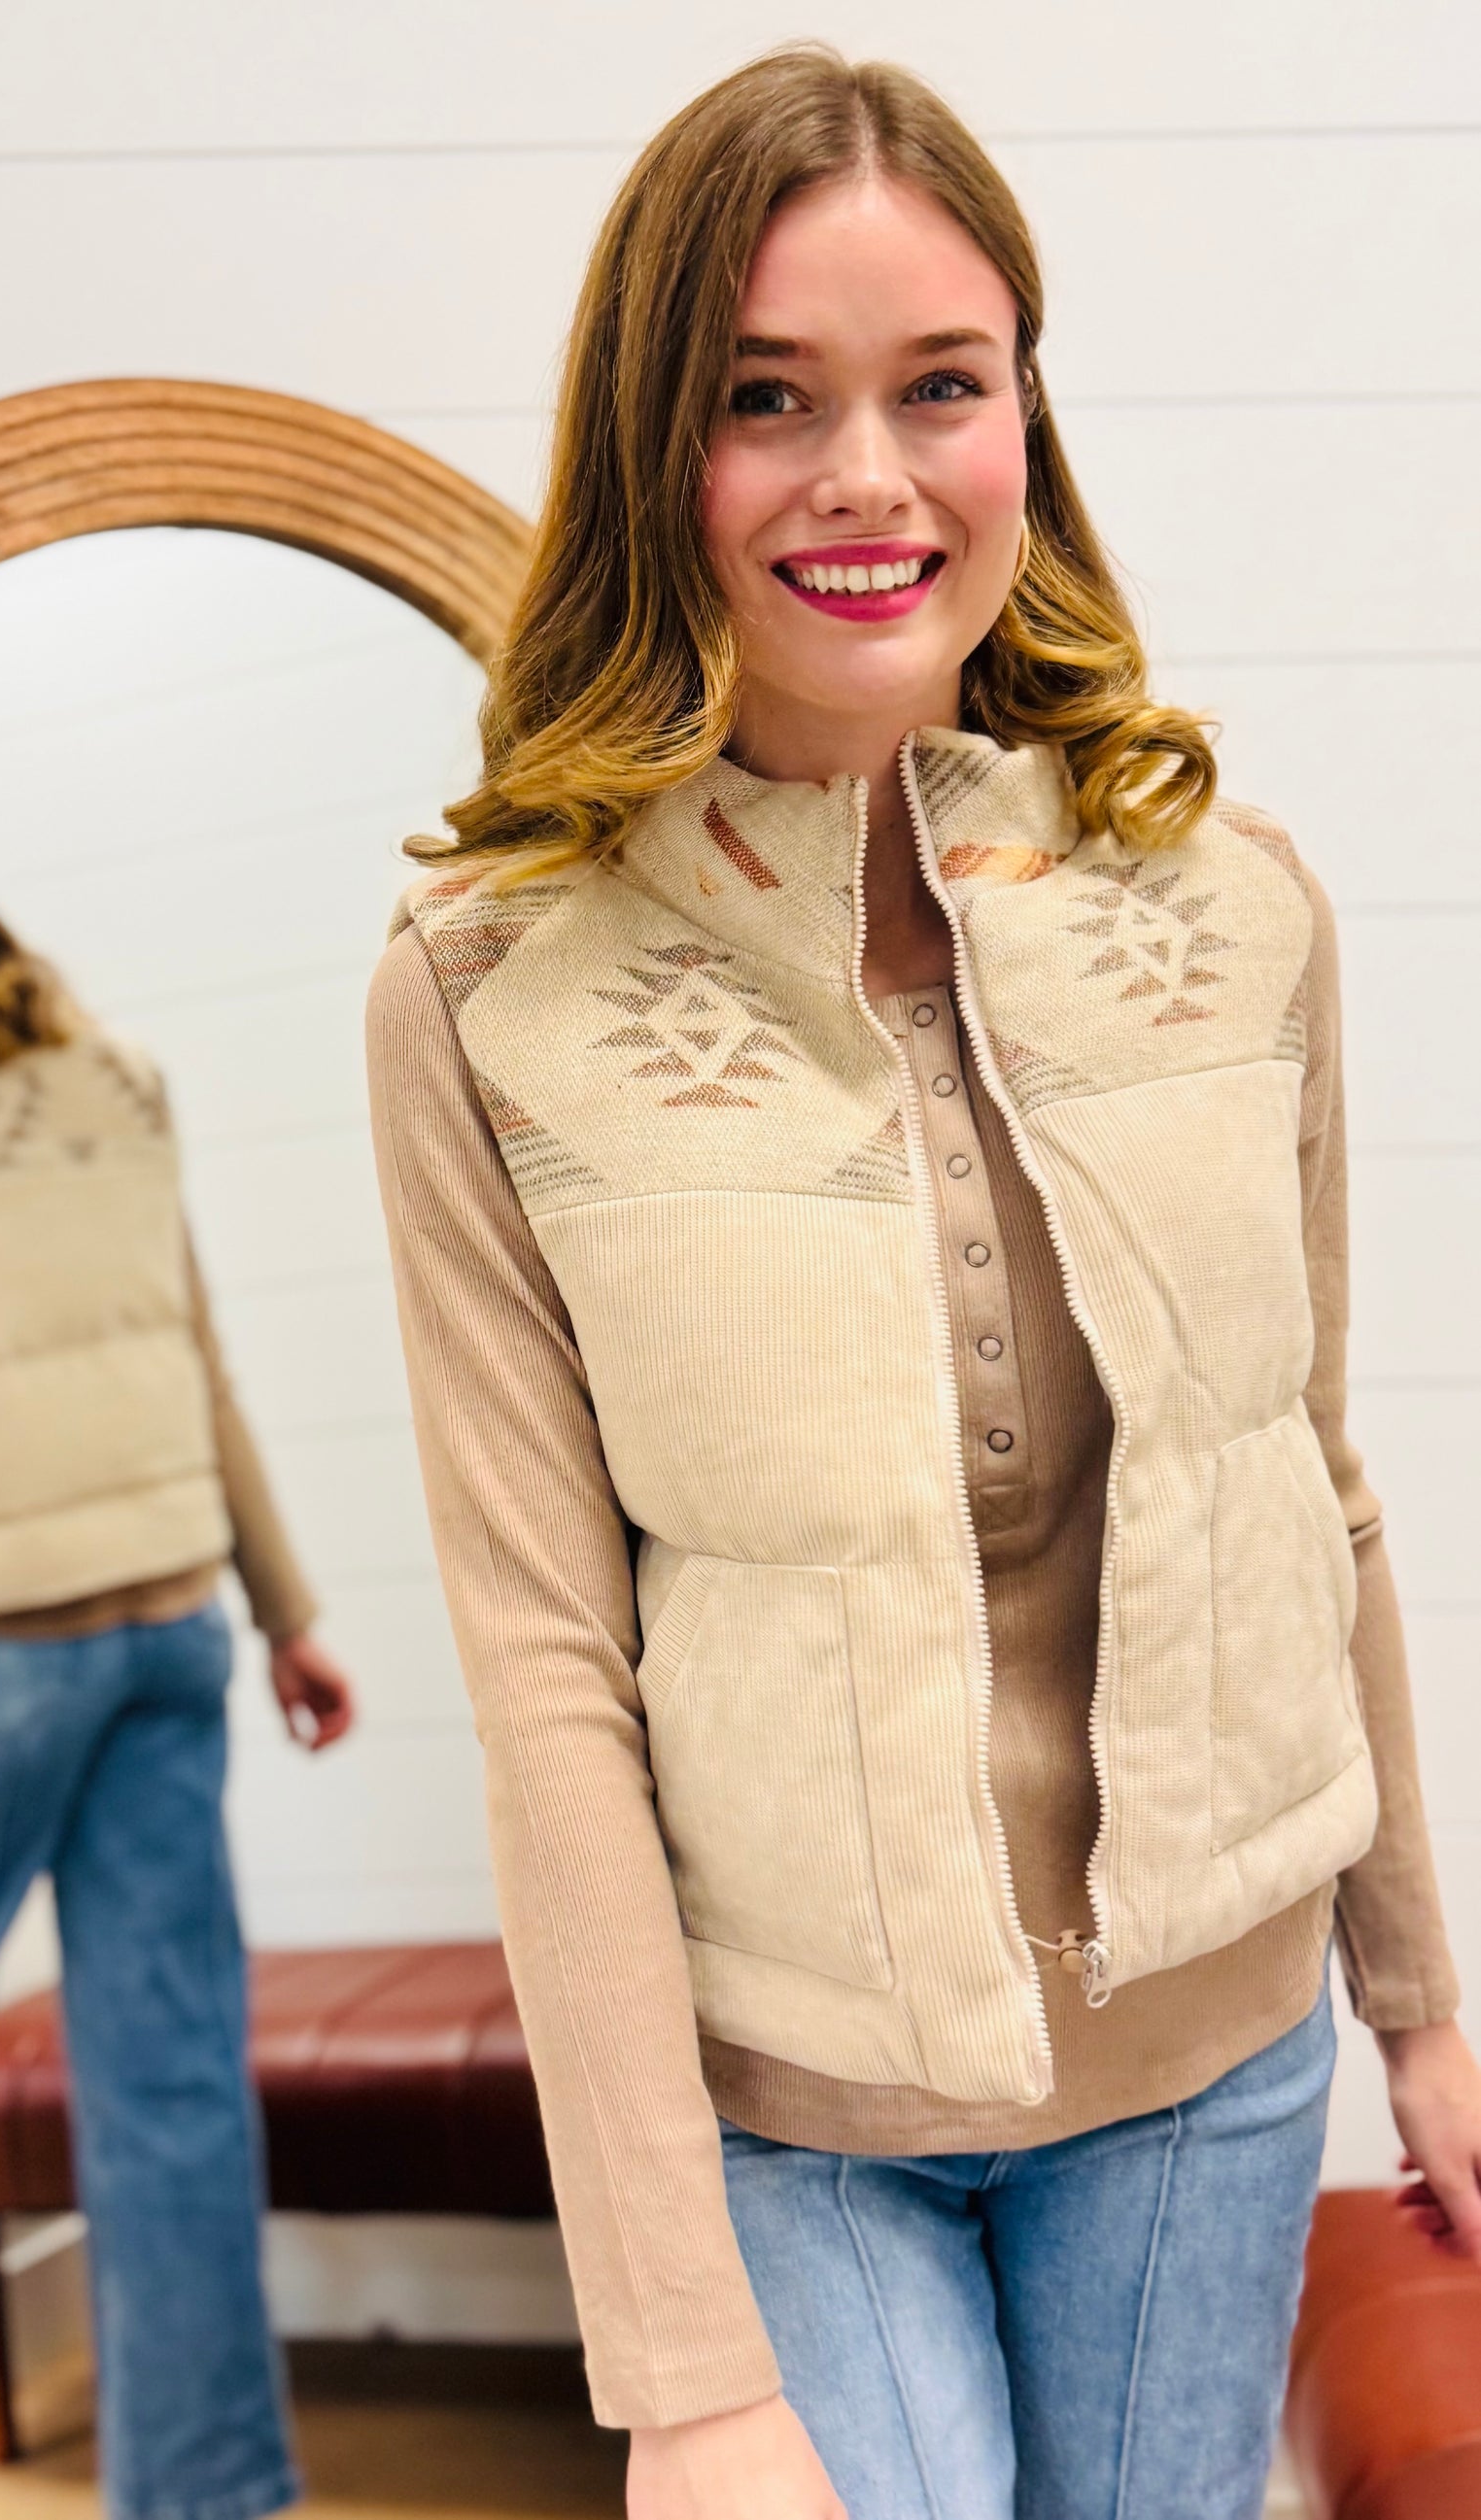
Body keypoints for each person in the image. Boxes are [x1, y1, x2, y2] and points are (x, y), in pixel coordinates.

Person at [366, 50, 1481, 2520]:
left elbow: (1311, 1480)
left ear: (1022, 425)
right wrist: (678, 2366)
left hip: (1208, 2071)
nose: (864, 476)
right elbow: (551, 1684)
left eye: (938, 387)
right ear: (654, 444)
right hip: (793, 2118)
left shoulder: (1237, 905)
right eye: (766, 399)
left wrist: (1417, 2000)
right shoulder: (486, 994)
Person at [0, 749, 349, 2520]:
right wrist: (287, 1609)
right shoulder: (108, 1076)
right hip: (161, 1623)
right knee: (172, 2077)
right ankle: (210, 2494)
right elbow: (201, 1356)